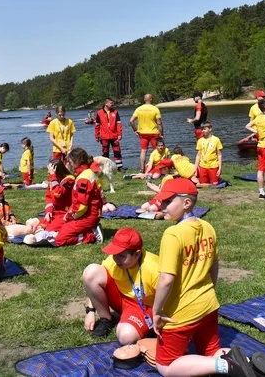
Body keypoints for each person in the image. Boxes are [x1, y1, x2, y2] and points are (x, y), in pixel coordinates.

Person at [150, 178, 249, 377]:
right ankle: (248, 363)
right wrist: (209, 289)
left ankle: (226, 367)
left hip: (181, 313)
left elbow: (166, 279)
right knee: (212, 351)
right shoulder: (208, 227)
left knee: (166, 366)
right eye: (162, 202)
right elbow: (214, 265)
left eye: (168, 202)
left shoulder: (173, 234)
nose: (162, 206)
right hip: (209, 305)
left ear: (187, 203)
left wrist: (157, 310)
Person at [82, 228, 160, 345]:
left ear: (137, 254)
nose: (116, 259)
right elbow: (93, 283)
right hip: (121, 298)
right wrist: (90, 311)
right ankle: (106, 318)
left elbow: (170, 302)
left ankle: (140, 326)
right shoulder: (115, 261)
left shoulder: (155, 269)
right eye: (114, 254)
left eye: (122, 256)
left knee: (126, 336)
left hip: (144, 308)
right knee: (91, 272)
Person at [55, 148, 104, 247]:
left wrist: (70, 216)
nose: (69, 164)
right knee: (60, 226)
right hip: (91, 214)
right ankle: (90, 229)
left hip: (88, 216)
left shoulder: (83, 178)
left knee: (60, 239)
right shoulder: (88, 173)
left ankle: (91, 235)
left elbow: (82, 205)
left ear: (76, 162)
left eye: (70, 162)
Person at [245, 97, 265, 200]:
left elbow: (247, 126)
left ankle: (261, 192)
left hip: (259, 146)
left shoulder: (258, 118)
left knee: (260, 170)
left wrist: (255, 132)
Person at [130, 94, 164, 172]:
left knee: (143, 150)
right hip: (153, 133)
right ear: (151, 99)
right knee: (157, 150)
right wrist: (161, 133)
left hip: (142, 133)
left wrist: (135, 130)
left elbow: (131, 121)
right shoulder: (155, 109)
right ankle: (159, 167)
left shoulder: (139, 109)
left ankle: (142, 169)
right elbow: (159, 123)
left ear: (144, 99)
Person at [42, 159, 74, 232]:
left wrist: (53, 177)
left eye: (50, 170)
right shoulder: (52, 181)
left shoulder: (69, 180)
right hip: (55, 212)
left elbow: (58, 193)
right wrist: (48, 211)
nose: (48, 172)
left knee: (49, 230)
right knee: (39, 227)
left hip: (66, 213)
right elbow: (49, 197)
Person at [94, 98, 124, 171]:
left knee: (117, 151)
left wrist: (120, 134)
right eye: (111, 103)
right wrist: (97, 136)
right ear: (106, 104)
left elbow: (119, 124)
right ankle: (105, 167)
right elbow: (97, 125)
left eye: (112, 103)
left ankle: (119, 167)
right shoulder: (99, 113)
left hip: (114, 136)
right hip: (104, 137)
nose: (112, 104)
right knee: (105, 152)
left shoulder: (115, 112)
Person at [194, 122, 223, 186]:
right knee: (203, 184)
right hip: (203, 165)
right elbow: (198, 155)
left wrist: (220, 168)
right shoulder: (200, 141)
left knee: (215, 184)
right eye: (202, 129)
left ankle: (218, 178)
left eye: (204, 129)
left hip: (213, 165)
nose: (202, 131)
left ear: (210, 129)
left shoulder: (216, 140)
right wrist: (195, 167)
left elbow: (219, 155)